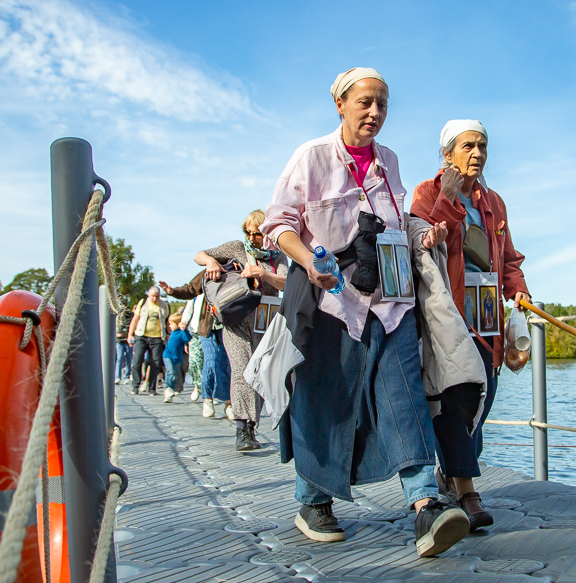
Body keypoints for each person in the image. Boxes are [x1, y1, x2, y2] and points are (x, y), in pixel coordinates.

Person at [261, 67, 467, 557]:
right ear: (341, 104)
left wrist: (421, 231)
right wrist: (310, 261)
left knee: (404, 395)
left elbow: (396, 218)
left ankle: (425, 507)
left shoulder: (389, 160)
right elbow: (278, 224)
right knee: (325, 401)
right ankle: (312, 500)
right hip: (331, 300)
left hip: (391, 300)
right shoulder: (310, 156)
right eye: (365, 103)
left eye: (383, 104)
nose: (374, 112)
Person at [410, 119, 531, 531]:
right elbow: (421, 241)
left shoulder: (494, 201)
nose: (477, 153)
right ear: (448, 154)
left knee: (481, 401)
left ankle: (452, 474)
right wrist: (447, 197)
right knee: (457, 398)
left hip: (488, 319)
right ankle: (467, 491)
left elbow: (509, 259)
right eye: (468, 146)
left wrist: (519, 290)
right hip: (449, 315)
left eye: (482, 146)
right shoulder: (428, 192)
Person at [195, 210, 289, 451]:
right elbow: (199, 255)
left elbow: (286, 284)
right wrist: (211, 262)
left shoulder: (278, 257)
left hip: (264, 322)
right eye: (247, 231)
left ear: (267, 233)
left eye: (256, 233)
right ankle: (242, 428)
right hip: (235, 320)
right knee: (240, 370)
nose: (251, 237)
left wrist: (263, 273)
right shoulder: (237, 247)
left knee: (256, 373)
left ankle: (252, 426)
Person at [159, 271, 230, 413]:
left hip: (229, 326)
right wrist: (172, 292)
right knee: (209, 361)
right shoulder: (207, 273)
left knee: (227, 364)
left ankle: (229, 402)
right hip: (205, 328)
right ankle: (207, 398)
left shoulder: (235, 270)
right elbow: (189, 291)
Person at [128, 286, 169, 396]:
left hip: (157, 338)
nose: (155, 299)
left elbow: (167, 321)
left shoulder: (164, 305)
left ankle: (152, 388)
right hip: (141, 336)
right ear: (149, 295)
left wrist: (168, 334)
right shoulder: (143, 303)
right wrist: (130, 334)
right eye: (153, 297)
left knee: (155, 363)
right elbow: (135, 319)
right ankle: (135, 385)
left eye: (157, 297)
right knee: (137, 360)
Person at [163, 313, 191, 403]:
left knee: (174, 375)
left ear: (178, 324)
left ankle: (171, 391)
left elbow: (188, 338)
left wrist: (184, 329)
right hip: (168, 355)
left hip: (177, 357)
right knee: (170, 371)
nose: (169, 326)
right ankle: (167, 388)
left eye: (171, 324)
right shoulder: (173, 332)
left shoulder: (181, 333)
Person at [115, 307, 133, 384]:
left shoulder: (132, 317)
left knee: (129, 358)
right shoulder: (118, 318)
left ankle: (127, 376)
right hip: (119, 341)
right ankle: (118, 377)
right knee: (119, 358)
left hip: (128, 341)